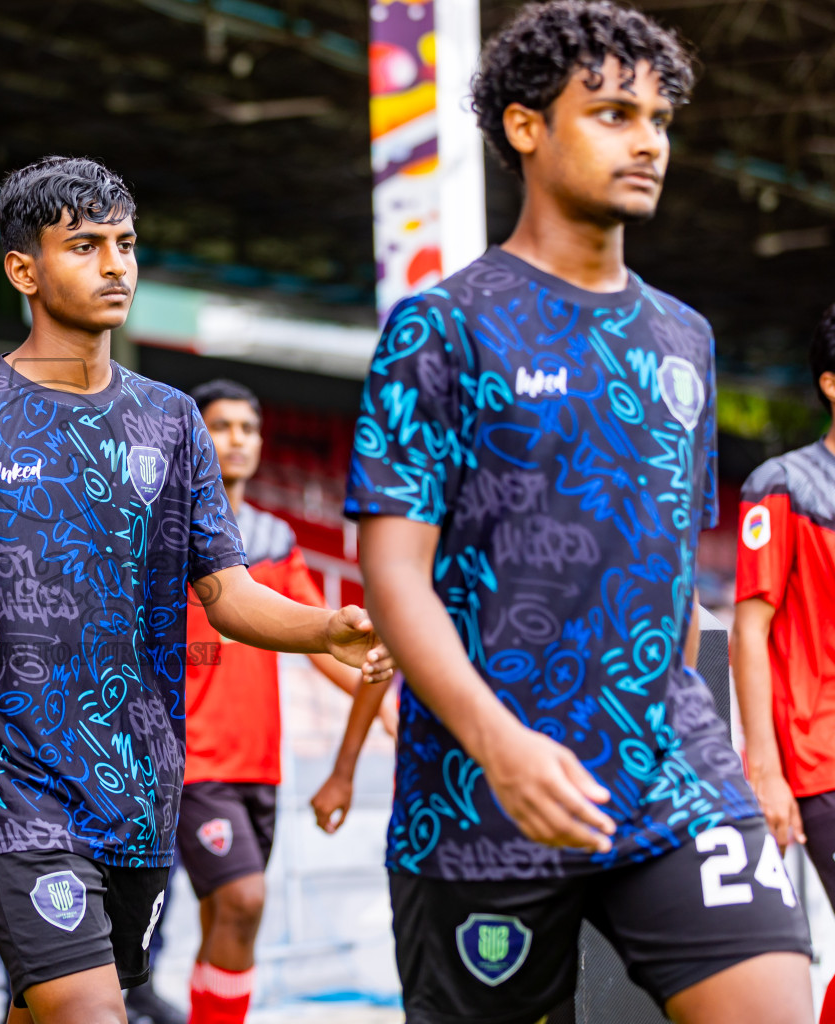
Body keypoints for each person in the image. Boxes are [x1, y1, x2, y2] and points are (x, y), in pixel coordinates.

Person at [0, 155, 394, 1024]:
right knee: (92, 1012)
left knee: (55, 1004)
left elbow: (228, 592)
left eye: (125, 243)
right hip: (8, 785)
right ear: (24, 270)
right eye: (85, 245)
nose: (116, 263)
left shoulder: (172, 420)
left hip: (138, 784)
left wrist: (325, 630)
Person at [345, 3, 813, 1022]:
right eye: (610, 112)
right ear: (525, 126)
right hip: (477, 801)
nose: (648, 140)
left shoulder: (683, 336)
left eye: (659, 117)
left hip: (669, 768)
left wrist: (719, 747)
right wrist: (499, 742)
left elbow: (673, 569)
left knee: (775, 997)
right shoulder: (444, 327)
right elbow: (391, 573)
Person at [177, 378, 395, 1024]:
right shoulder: (165, 535)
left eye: (247, 428)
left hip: (261, 768)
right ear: (196, 437)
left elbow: (331, 643)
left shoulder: (273, 541)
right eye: (221, 427)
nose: (236, 440)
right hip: (193, 766)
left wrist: (368, 730)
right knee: (244, 900)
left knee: (224, 916)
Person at [732, 303, 835, 1023]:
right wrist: (765, 772)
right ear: (832, 384)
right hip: (821, 756)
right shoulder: (784, 485)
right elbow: (747, 630)